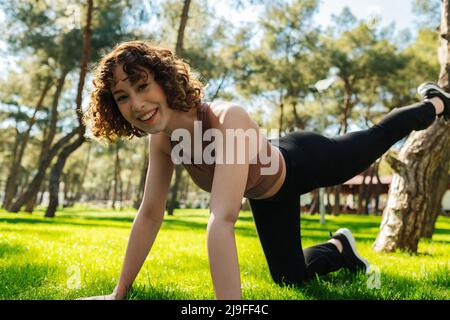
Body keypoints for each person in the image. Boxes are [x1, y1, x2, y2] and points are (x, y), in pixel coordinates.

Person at [80, 40, 449, 300]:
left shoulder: (228, 118)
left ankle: (436, 103)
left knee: (376, 137)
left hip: (305, 159)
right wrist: (118, 294)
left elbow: (221, 220)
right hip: (269, 195)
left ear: (163, 79)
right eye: (123, 97)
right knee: (289, 278)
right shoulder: (162, 139)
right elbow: (149, 213)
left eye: (142, 86)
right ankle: (340, 249)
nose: (137, 104)